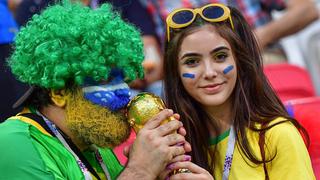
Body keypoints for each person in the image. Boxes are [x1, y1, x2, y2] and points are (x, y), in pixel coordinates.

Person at [0, 2, 191, 179]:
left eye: (123, 79)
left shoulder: (94, 142)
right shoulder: (14, 142)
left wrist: (159, 171)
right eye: (104, 79)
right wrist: (141, 170)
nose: (124, 93)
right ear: (59, 93)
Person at [162, 3, 315, 179]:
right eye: (192, 61)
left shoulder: (278, 134)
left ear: (239, 61)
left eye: (220, 57)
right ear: (176, 73)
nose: (209, 72)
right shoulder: (174, 149)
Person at [139, 0, 318, 64]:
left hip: (259, 58)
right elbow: (158, 57)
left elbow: (307, 10)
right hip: (193, 73)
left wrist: (256, 38)